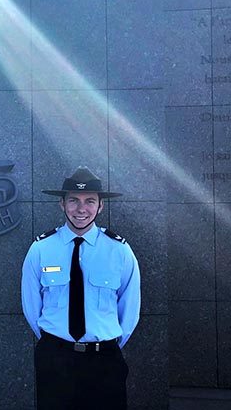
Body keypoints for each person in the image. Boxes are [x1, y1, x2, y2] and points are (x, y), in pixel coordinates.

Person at [21, 166, 141, 410]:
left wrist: (105, 345)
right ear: (62, 204)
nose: (81, 209)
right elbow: (32, 307)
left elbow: (129, 310)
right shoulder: (41, 249)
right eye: (73, 200)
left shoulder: (119, 250)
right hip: (56, 358)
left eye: (90, 201)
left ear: (100, 206)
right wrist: (55, 345)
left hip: (104, 361)